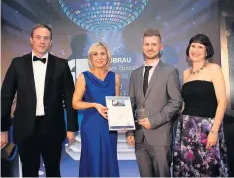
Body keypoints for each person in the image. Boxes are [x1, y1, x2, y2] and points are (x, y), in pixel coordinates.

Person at [1, 23, 78, 177]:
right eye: (38, 37)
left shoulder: (61, 65)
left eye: (46, 38)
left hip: (53, 127)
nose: (42, 41)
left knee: (53, 170)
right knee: (29, 172)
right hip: (25, 128)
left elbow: (71, 99)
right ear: (31, 40)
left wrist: (71, 128)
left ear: (50, 42)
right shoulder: (17, 63)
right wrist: (3, 129)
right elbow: (5, 97)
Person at [126, 29, 182, 177]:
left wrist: (153, 121)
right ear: (142, 46)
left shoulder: (170, 72)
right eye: (147, 44)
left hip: (160, 137)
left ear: (160, 47)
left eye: (154, 44)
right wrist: (129, 130)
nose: (150, 48)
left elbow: (176, 102)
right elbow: (131, 103)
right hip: (139, 137)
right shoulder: (135, 73)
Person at [173, 34, 230, 177]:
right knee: (188, 168)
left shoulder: (214, 69)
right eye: (193, 46)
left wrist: (214, 131)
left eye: (200, 47)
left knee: (209, 169)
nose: (196, 50)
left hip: (207, 128)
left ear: (206, 51)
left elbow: (222, 102)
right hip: (187, 128)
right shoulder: (186, 73)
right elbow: (185, 103)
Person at [72, 42, 120, 177]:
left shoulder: (115, 77)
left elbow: (117, 103)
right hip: (91, 125)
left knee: (109, 159)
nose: (99, 57)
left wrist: (121, 120)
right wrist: (94, 105)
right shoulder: (84, 77)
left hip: (109, 126)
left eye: (102, 53)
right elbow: (75, 103)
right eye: (95, 54)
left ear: (108, 56)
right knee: (93, 159)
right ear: (90, 58)